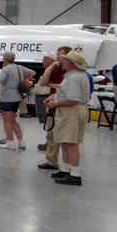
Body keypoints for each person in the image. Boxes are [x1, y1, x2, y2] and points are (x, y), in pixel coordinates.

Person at [46, 50, 92, 186]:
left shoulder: (73, 78)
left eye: (65, 60)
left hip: (71, 111)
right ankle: (66, 170)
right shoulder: (75, 75)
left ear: (71, 63)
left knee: (71, 143)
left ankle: (75, 175)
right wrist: (55, 96)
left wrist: (55, 103)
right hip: (71, 111)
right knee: (66, 142)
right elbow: (68, 93)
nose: (62, 61)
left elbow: (73, 99)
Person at [36, 45, 71, 166]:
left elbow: (64, 87)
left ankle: (68, 166)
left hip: (65, 105)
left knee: (65, 137)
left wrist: (54, 85)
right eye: (57, 54)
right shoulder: (55, 69)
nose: (57, 56)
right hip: (52, 104)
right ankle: (51, 161)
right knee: (51, 134)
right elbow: (43, 82)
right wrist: (51, 67)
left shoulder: (70, 71)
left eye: (60, 54)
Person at [0, 51, 34, 150]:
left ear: (4, 59)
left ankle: (10, 142)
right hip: (17, 97)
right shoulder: (19, 67)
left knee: (7, 121)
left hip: (7, 98)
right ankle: (21, 142)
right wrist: (24, 80)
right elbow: (33, 72)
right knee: (13, 121)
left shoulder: (5, 70)